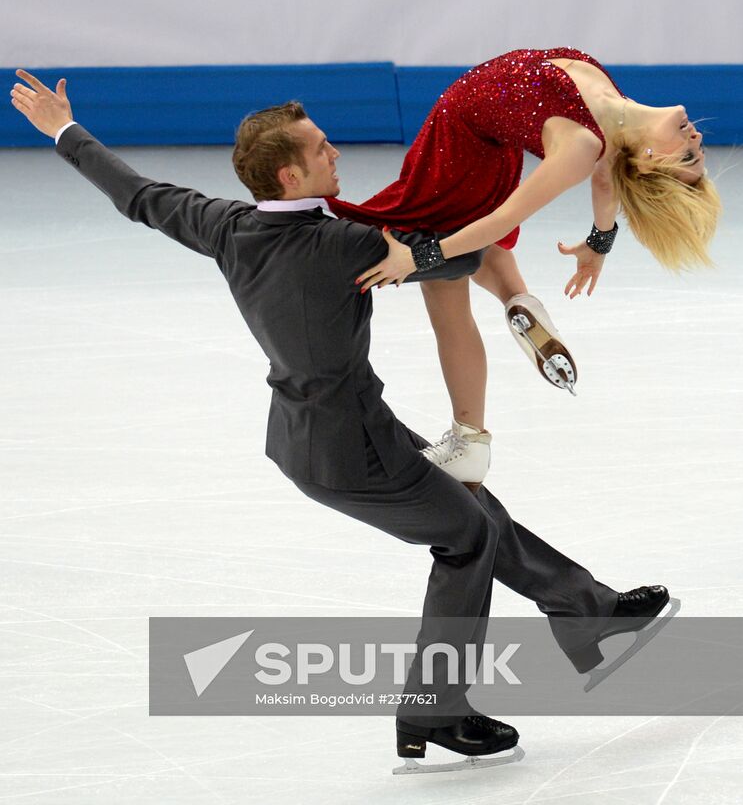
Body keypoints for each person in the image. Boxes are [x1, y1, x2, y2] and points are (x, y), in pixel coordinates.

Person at [11, 69, 675, 773]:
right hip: (351, 450)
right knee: (466, 537)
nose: (338, 155)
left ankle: (588, 612)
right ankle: (437, 710)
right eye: (323, 150)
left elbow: (138, 196)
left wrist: (64, 129)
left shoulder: (228, 227)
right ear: (291, 175)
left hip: (319, 432)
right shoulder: (348, 247)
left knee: (470, 503)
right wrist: (514, 246)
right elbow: (469, 254)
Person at [331, 48, 722, 482]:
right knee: (476, 244)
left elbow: (502, 219)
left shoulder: (584, 145)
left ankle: (469, 441)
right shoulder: (615, 122)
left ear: (650, 158)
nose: (696, 141)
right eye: (696, 152)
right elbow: (609, 175)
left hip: (459, 139)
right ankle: (517, 300)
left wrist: (420, 257)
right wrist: (598, 243)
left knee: (446, 288)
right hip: (491, 145)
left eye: (686, 158)